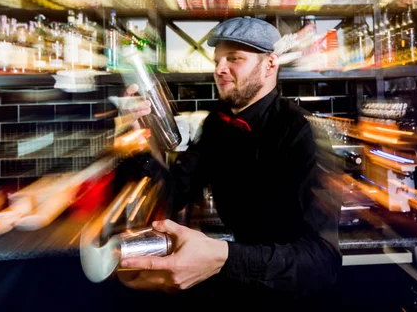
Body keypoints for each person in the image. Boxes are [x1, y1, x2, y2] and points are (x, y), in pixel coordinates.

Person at [115, 17, 342, 309]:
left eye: (234, 59)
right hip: (242, 289)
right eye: (218, 60)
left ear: (270, 64)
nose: (220, 69)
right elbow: (172, 194)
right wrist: (139, 143)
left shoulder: (302, 133)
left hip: (297, 298)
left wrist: (223, 256)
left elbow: (322, 261)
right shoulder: (217, 124)